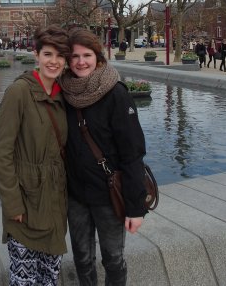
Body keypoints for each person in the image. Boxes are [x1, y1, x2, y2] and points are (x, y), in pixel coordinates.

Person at [60, 28, 148, 286]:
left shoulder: (115, 93)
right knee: (82, 259)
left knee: (113, 258)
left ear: (98, 58)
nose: (80, 62)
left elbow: (132, 153)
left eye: (87, 55)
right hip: (76, 194)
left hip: (108, 195)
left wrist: (135, 207)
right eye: (75, 56)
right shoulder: (65, 92)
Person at [0, 24, 70, 286]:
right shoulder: (19, 92)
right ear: (36, 55)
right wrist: (12, 204)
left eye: (60, 56)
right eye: (48, 54)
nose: (54, 61)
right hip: (25, 205)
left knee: (49, 278)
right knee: (24, 280)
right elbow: (2, 152)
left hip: (55, 203)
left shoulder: (63, 96)